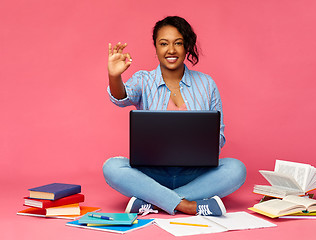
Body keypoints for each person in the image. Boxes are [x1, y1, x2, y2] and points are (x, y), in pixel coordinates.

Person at [103, 16, 246, 216]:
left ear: (186, 46)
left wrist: (203, 144)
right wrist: (114, 76)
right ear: (155, 47)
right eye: (164, 44)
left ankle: (154, 202)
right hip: (151, 174)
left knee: (236, 169)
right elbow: (121, 98)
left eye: (178, 43)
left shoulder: (206, 83)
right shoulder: (143, 80)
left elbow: (219, 137)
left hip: (195, 174)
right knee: (112, 167)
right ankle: (188, 205)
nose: (171, 50)